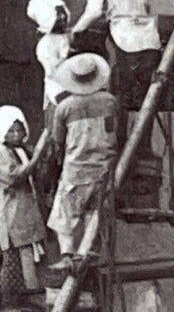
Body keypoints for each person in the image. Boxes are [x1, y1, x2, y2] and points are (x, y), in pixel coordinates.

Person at [71, 0, 162, 129]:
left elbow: (94, 11)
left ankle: (120, 137)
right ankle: (142, 141)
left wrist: (76, 30)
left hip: (125, 36)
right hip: (148, 37)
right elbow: (147, 8)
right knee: (145, 97)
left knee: (120, 94)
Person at [43, 53, 118, 265]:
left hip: (76, 170)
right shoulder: (111, 102)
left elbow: (58, 141)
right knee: (93, 211)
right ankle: (85, 252)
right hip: (103, 168)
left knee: (64, 214)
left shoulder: (65, 107)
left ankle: (67, 255)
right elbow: (116, 133)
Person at [0, 106, 47, 304]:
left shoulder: (24, 151)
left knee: (32, 255)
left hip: (27, 213)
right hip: (12, 214)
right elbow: (15, 177)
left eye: (19, 130)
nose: (16, 134)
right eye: (11, 131)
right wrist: (36, 157)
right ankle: (19, 300)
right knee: (17, 258)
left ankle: (33, 295)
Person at [26, 0, 72, 112]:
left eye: (63, 12)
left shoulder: (67, 36)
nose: (62, 17)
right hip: (58, 87)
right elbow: (53, 70)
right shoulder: (45, 44)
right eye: (57, 14)